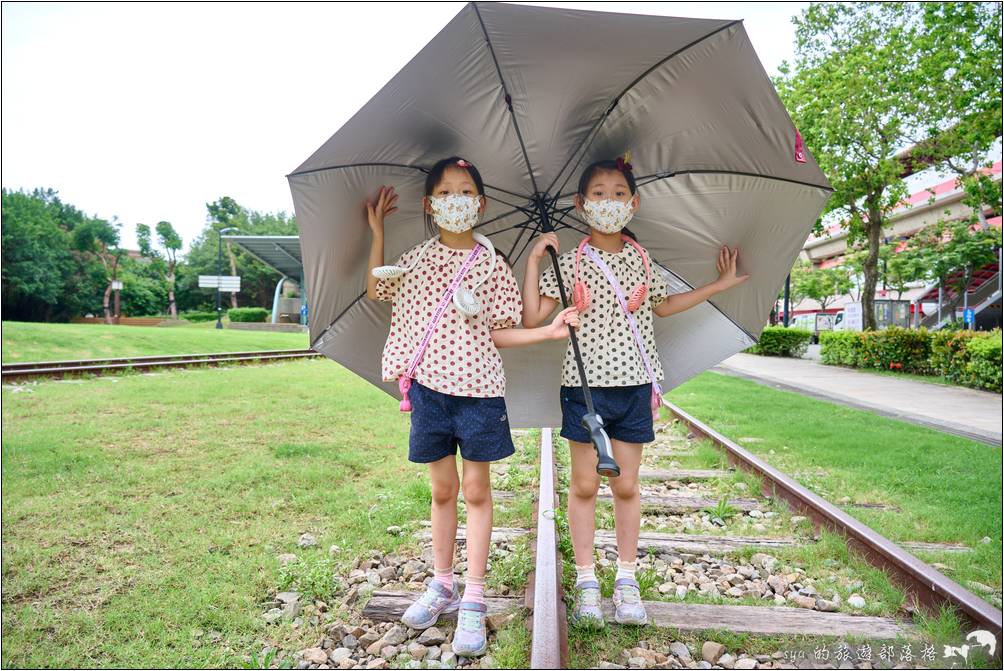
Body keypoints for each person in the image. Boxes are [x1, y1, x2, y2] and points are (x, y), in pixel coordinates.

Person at [521, 156, 749, 628]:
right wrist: (534, 260)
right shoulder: (569, 264)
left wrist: (720, 284)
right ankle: (586, 582)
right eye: (598, 195)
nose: (609, 202)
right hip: (583, 390)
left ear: (634, 202)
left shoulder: (644, 261)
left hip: (633, 386)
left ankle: (626, 580)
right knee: (584, 485)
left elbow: (666, 308)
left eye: (618, 193)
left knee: (625, 484)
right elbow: (531, 319)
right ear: (582, 205)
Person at [366, 156, 579, 655]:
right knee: (443, 491)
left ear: (480, 204)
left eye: (465, 192)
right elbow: (378, 289)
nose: (455, 200)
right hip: (429, 392)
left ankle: (475, 597)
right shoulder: (415, 258)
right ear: (430, 204)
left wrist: (546, 331)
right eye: (446, 193)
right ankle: (443, 583)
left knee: (477, 491)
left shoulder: (490, 263)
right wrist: (376, 231)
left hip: (480, 390)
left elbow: (502, 329)